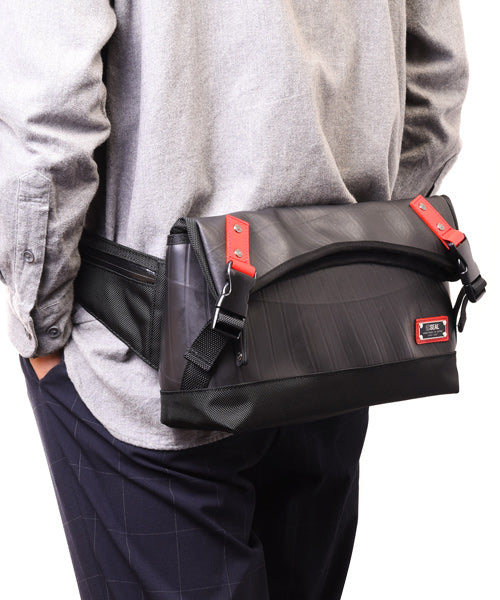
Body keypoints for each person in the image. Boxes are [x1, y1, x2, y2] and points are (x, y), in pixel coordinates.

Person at [0, 2, 468, 599]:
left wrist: (41, 326)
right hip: (333, 353)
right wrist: (360, 263)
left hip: (144, 362)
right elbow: (436, 82)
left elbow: (49, 120)